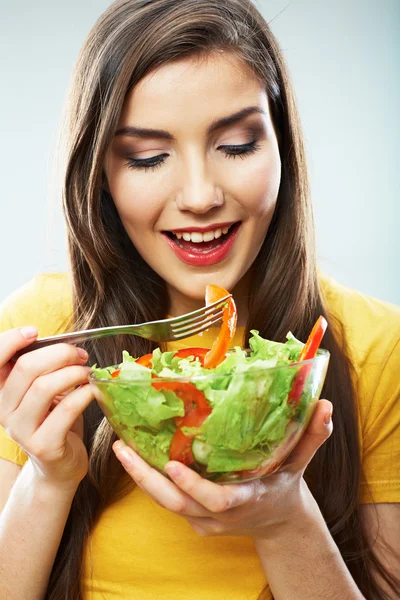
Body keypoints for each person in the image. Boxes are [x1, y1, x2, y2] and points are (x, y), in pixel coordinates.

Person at [0, 1, 399, 599]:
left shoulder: (376, 348)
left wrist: (284, 519)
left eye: (237, 145)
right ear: (101, 175)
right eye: (147, 157)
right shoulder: (47, 336)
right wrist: (50, 478)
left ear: (282, 144)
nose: (200, 196)